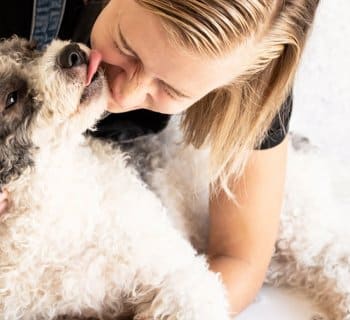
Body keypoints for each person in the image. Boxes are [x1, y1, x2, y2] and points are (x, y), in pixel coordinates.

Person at [0, 0, 319, 316]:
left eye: (170, 87)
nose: (125, 93)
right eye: (126, 43)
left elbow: (240, 259)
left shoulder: (250, 54)